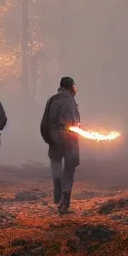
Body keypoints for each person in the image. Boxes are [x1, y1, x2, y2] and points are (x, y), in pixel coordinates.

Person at [40, 77, 81, 214]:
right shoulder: (70, 100)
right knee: (69, 169)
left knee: (56, 164)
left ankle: (57, 188)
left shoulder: (52, 99)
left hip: (54, 137)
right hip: (69, 138)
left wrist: (49, 139)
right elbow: (75, 123)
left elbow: (44, 123)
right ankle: (64, 201)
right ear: (70, 87)